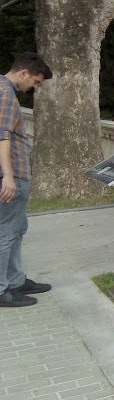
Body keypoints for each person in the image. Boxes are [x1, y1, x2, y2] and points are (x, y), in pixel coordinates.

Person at [1, 53, 53, 308]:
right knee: (6, 232)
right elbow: (2, 137)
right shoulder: (5, 94)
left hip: (17, 175)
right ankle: (2, 289)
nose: (35, 87)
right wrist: (8, 176)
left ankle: (15, 281)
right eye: (35, 81)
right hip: (12, 176)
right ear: (24, 73)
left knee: (16, 229)